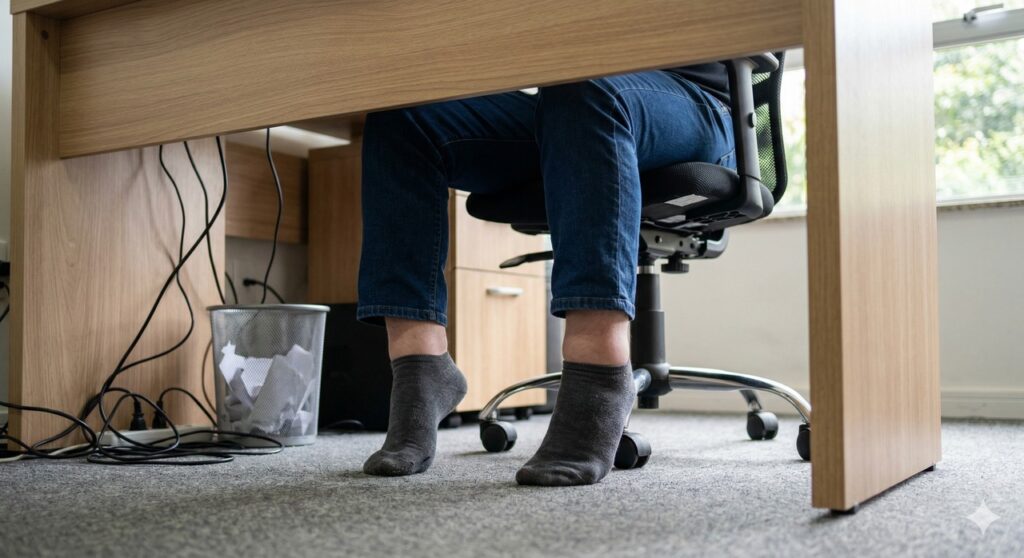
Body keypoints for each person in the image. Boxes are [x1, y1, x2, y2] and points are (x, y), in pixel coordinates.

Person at [355, 64, 734, 486]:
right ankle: (422, 370)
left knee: (586, 92)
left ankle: (601, 373)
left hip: (697, 104)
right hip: (567, 100)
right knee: (402, 122)